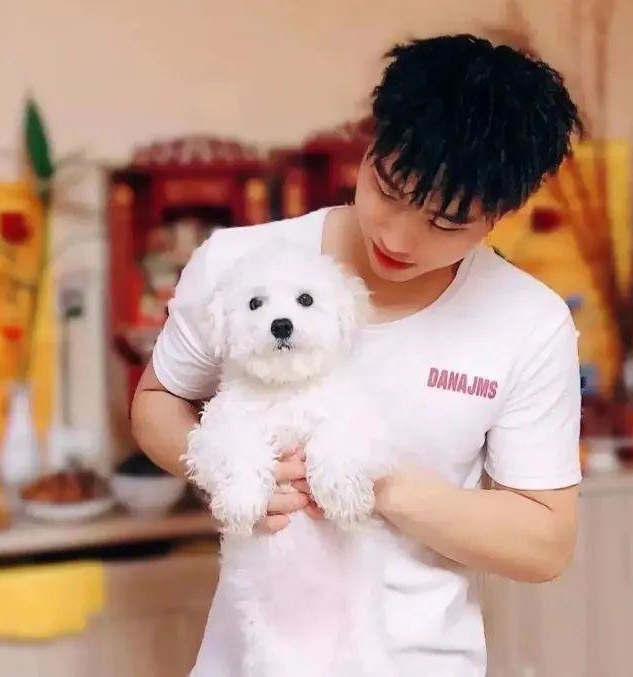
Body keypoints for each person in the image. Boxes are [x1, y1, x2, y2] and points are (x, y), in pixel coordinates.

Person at [131, 34, 583, 677]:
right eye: (388, 189)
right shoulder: (242, 263)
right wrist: (232, 470)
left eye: (445, 223)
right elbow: (157, 401)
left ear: (501, 214)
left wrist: (377, 483)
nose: (398, 237)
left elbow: (544, 543)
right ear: (371, 143)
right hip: (252, 659)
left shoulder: (528, 322)